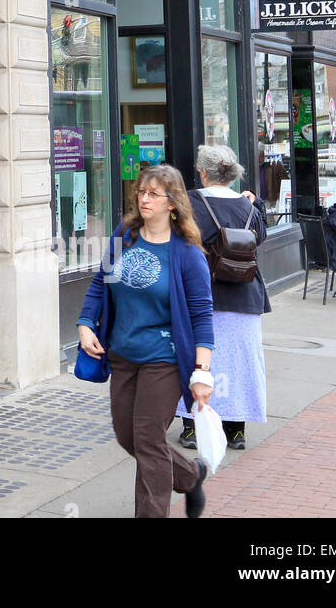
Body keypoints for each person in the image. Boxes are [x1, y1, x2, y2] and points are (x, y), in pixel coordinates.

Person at [77, 164, 215, 518]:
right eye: (141, 192)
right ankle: (189, 474)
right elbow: (100, 283)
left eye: (153, 193)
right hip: (122, 353)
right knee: (128, 437)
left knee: (150, 441)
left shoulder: (187, 254)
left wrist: (201, 371)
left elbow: (202, 316)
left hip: (164, 358)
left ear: (173, 203)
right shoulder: (125, 234)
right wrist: (85, 323)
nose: (144, 199)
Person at [177, 145, 269, 453]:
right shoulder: (249, 207)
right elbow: (261, 238)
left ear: (203, 171)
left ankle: (192, 427)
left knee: (198, 357)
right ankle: (236, 430)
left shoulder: (191, 202)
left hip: (201, 293)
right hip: (246, 294)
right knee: (241, 361)